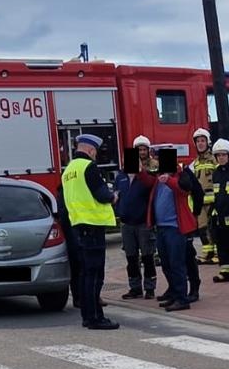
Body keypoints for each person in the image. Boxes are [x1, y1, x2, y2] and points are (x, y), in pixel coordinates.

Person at [60, 134, 119, 330]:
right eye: (95, 152)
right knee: (95, 274)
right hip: (93, 226)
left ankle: (87, 316)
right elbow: (101, 195)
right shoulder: (88, 167)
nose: (96, 155)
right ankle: (95, 318)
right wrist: (113, 196)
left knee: (85, 274)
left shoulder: (68, 170)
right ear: (91, 150)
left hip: (78, 226)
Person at [149, 149, 200, 312]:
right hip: (162, 227)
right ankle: (173, 293)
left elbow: (183, 190)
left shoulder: (180, 175)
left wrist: (169, 180)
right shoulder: (159, 178)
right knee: (166, 264)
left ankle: (182, 298)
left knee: (177, 264)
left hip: (175, 228)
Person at [197, 139, 229, 282]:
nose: (221, 158)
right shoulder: (216, 173)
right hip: (220, 217)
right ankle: (226, 271)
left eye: (223, 155)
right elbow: (216, 195)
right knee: (222, 245)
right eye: (218, 155)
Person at [115, 135, 157, 299]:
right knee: (131, 258)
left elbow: (152, 185)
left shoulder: (149, 172)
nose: (140, 153)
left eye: (143, 149)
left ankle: (150, 288)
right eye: (137, 150)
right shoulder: (121, 176)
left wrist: (141, 171)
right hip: (127, 224)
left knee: (147, 257)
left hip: (143, 223)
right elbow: (118, 194)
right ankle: (135, 288)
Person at [189, 128, 220, 264]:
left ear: (208, 142)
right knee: (202, 229)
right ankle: (207, 253)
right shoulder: (195, 163)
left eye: (203, 141)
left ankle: (219, 254)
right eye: (198, 141)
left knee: (214, 228)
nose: (200, 144)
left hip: (214, 201)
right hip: (200, 202)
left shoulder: (215, 160)